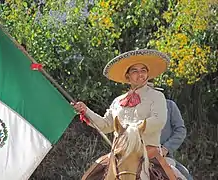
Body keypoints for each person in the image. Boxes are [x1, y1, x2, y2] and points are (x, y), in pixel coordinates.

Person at [73, 49, 182, 179]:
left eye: (143, 70)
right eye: (134, 71)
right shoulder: (118, 101)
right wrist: (86, 111)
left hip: (148, 153)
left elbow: (158, 121)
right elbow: (106, 125)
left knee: (173, 176)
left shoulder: (157, 96)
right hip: (119, 153)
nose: (140, 74)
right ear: (127, 76)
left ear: (148, 74)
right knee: (87, 177)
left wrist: (132, 129)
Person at [147, 82, 193, 179]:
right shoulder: (132, 109)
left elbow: (180, 130)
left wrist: (166, 148)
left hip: (163, 157)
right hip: (137, 156)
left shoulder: (170, 106)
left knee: (185, 176)